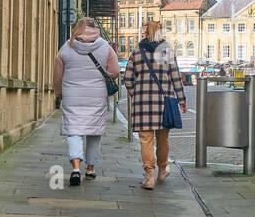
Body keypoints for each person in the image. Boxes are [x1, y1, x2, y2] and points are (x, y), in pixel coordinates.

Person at [53, 17, 119, 185]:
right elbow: (114, 72)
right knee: (94, 131)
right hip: (96, 96)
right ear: (94, 29)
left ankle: (76, 168)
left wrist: (58, 92)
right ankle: (90, 169)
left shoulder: (67, 47)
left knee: (74, 131)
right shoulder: (105, 47)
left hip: (72, 95)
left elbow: (57, 75)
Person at [123, 19, 187, 190]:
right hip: (164, 104)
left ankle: (149, 176)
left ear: (145, 33)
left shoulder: (136, 53)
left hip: (142, 104)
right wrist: (181, 100)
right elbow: (175, 79)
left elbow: (128, 79)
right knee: (163, 138)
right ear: (160, 33)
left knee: (146, 140)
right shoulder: (166, 52)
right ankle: (162, 169)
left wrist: (136, 93)